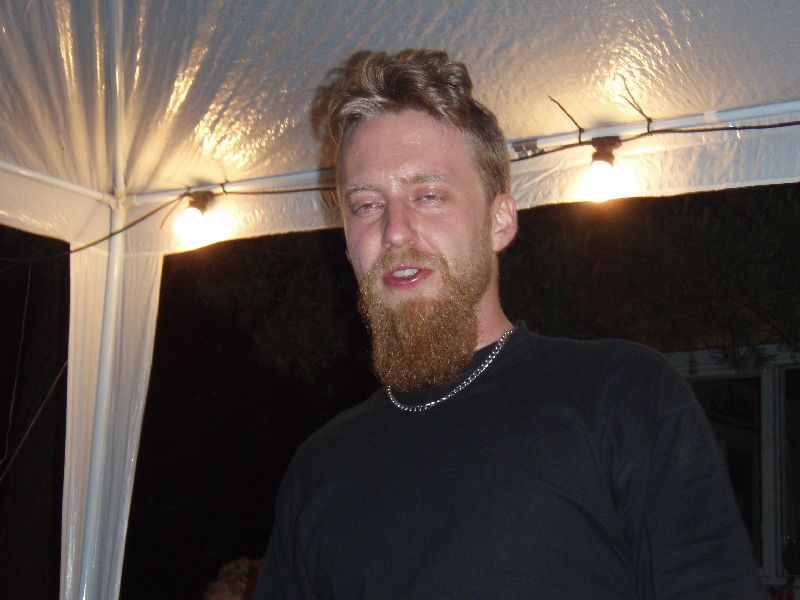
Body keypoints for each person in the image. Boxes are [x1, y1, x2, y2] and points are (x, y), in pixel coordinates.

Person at [255, 49, 766, 599]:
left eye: (428, 195)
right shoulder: (319, 468)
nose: (394, 231)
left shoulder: (620, 396)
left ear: (499, 221)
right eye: (366, 205)